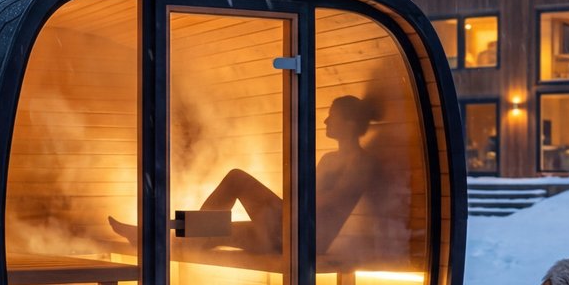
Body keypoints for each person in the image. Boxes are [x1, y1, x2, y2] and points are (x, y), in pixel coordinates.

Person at [110, 95, 382, 254]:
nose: (325, 121)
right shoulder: (329, 158)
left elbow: (328, 202)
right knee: (213, 233)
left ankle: (149, 234)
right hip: (287, 230)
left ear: (348, 122)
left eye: (332, 116)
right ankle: (148, 238)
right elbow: (307, 196)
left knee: (237, 178)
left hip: (307, 241)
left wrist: (280, 207)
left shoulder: (361, 162)